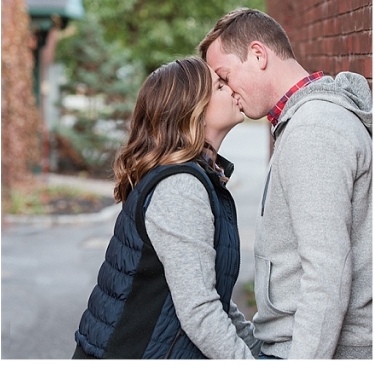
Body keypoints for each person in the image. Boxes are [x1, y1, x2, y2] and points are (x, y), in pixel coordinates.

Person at [199, 8, 372, 359]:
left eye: (224, 76)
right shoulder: (304, 124)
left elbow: (327, 276)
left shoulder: (314, 130)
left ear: (258, 55)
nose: (227, 91)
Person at [73, 57, 260, 359]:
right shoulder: (180, 187)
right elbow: (200, 312)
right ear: (192, 108)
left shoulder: (198, 177)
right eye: (221, 86)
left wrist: (257, 350)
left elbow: (207, 293)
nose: (233, 89)